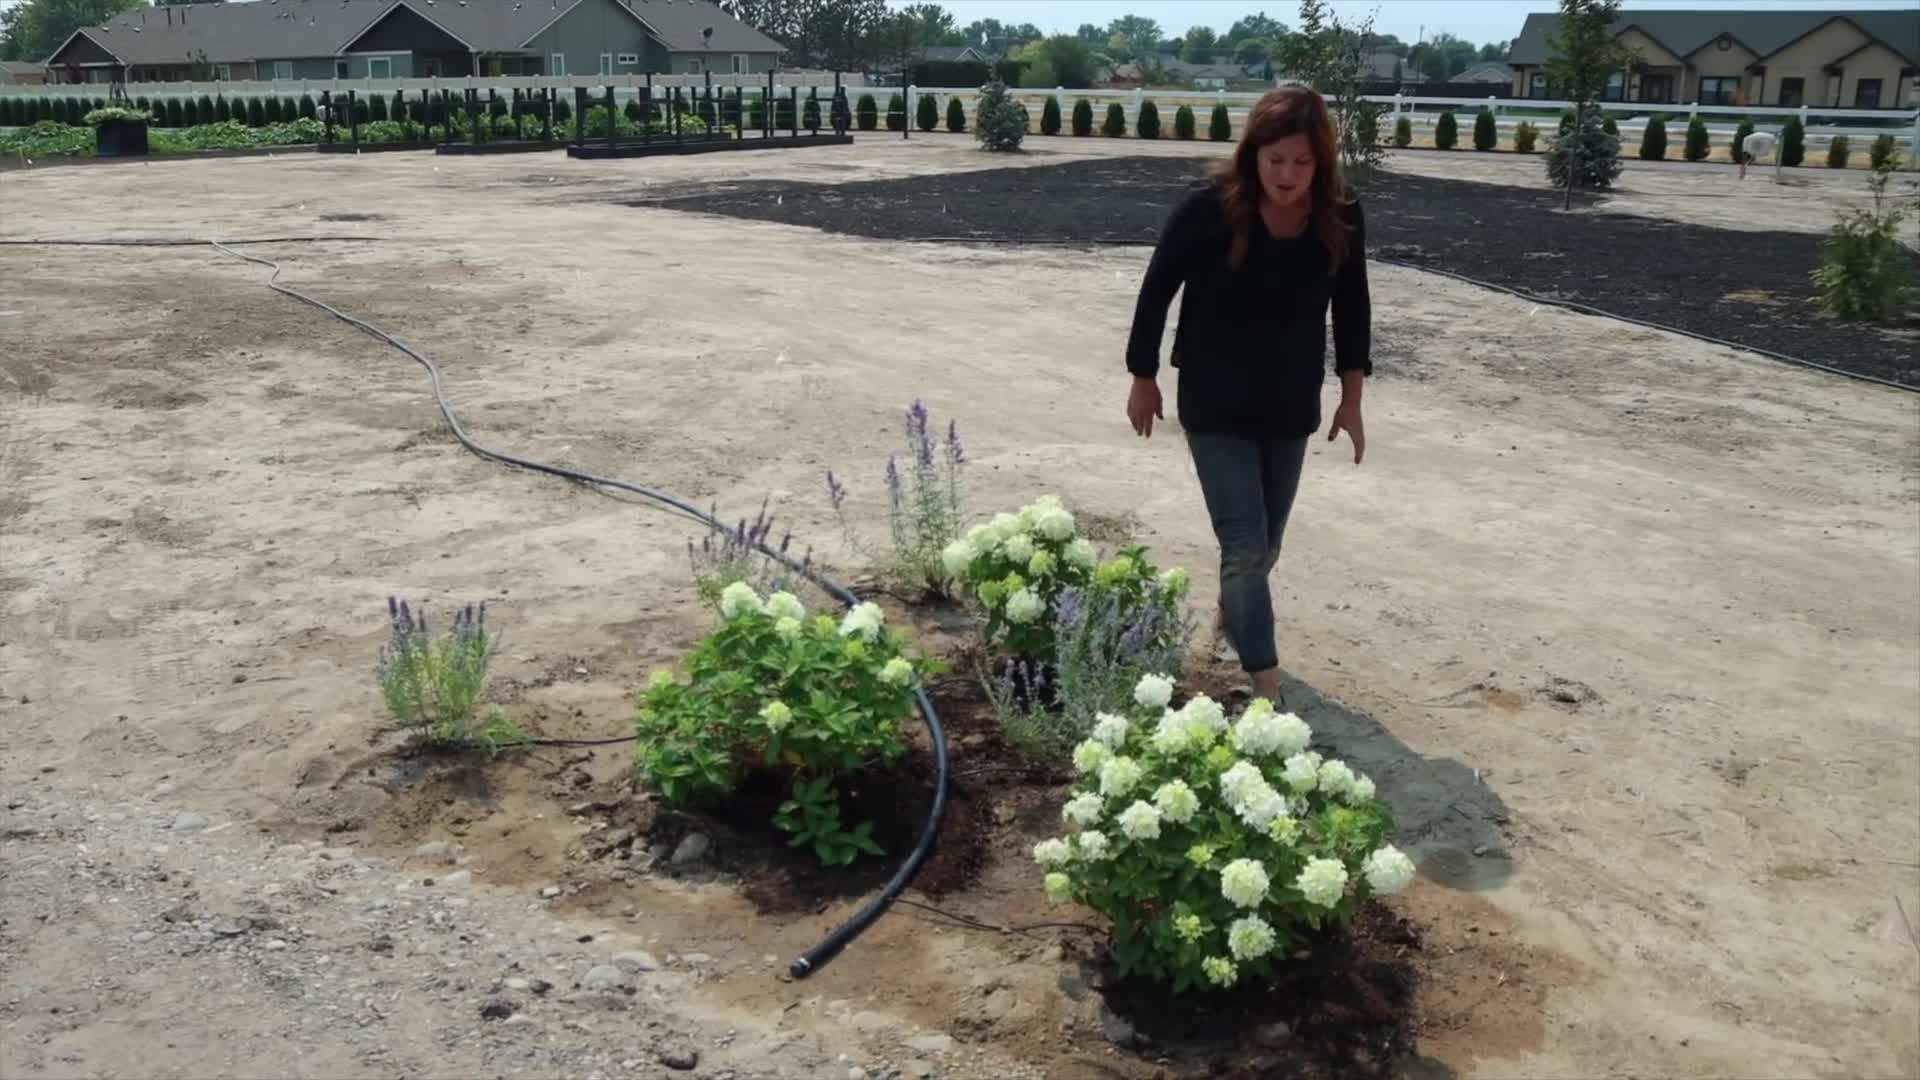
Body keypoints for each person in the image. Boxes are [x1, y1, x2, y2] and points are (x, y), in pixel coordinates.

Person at [1122, 86, 1371, 704]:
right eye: (1276, 160)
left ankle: (1233, 616)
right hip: (1215, 400)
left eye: (1303, 163)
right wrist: (1143, 377)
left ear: (1322, 162)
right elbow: (1156, 291)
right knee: (1244, 546)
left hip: (1288, 404)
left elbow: (1353, 308)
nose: (1288, 175)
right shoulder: (1208, 209)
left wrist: (1352, 398)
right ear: (1252, 154)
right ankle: (1265, 686)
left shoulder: (1340, 215)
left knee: (1265, 548)